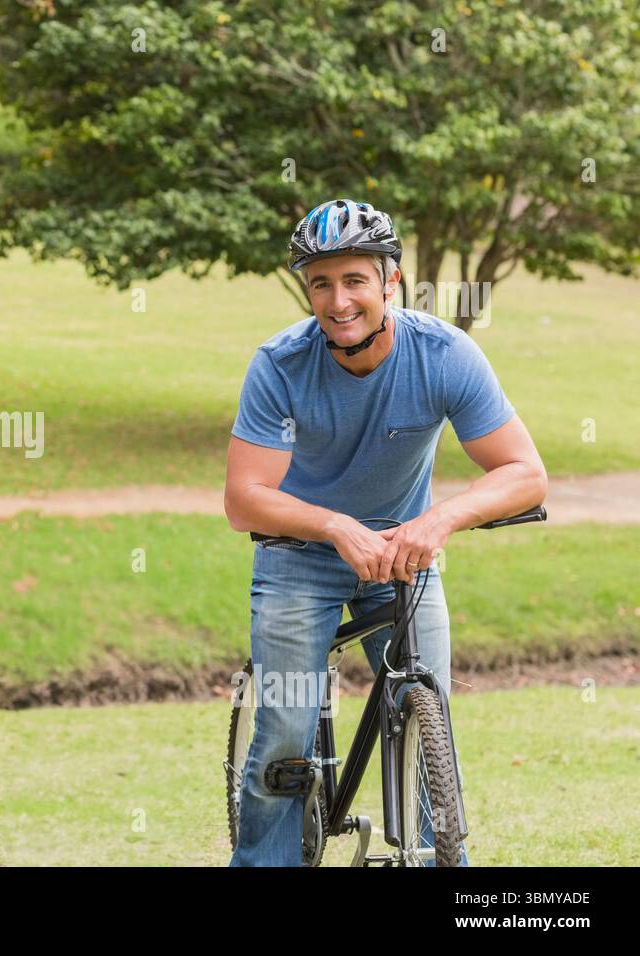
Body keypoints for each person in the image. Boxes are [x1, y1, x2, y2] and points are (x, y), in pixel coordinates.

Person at [224, 198, 548, 866]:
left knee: (429, 715)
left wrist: (439, 520)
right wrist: (335, 525)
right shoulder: (280, 364)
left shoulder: (444, 355)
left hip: (404, 557)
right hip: (297, 557)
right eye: (321, 283)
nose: (338, 300)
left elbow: (524, 472)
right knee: (286, 725)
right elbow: (244, 499)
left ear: (390, 281)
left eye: (354, 281)